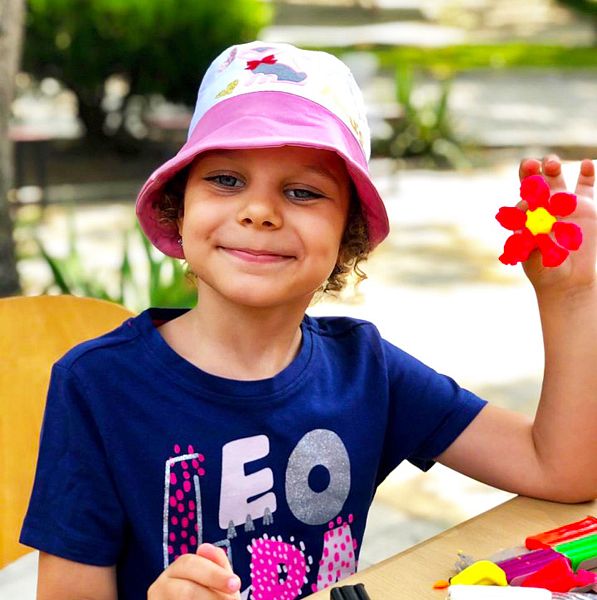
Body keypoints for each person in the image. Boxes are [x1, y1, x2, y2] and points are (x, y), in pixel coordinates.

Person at [20, 41, 596, 600]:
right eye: (226, 180)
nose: (259, 211)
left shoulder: (366, 370)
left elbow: (562, 470)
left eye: (302, 191)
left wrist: (573, 296)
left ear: (348, 233)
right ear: (180, 203)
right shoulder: (97, 385)